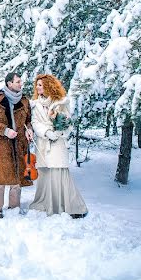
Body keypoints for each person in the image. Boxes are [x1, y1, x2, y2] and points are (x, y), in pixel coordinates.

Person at [28, 73, 88, 218]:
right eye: (37, 85)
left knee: (59, 172)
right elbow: (35, 122)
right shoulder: (35, 104)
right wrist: (47, 132)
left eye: (40, 85)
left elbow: (67, 122)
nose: (37, 87)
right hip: (44, 141)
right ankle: (46, 204)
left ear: (48, 86)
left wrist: (58, 131)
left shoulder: (61, 102)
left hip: (57, 142)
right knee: (46, 173)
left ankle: (71, 206)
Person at [0, 71, 34, 218]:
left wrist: (29, 130)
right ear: (9, 84)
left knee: (17, 179)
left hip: (20, 144)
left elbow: (28, 120)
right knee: (0, 180)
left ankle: (14, 208)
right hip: (2, 145)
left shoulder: (24, 100)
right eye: (18, 81)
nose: (21, 84)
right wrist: (4, 130)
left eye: (20, 81)